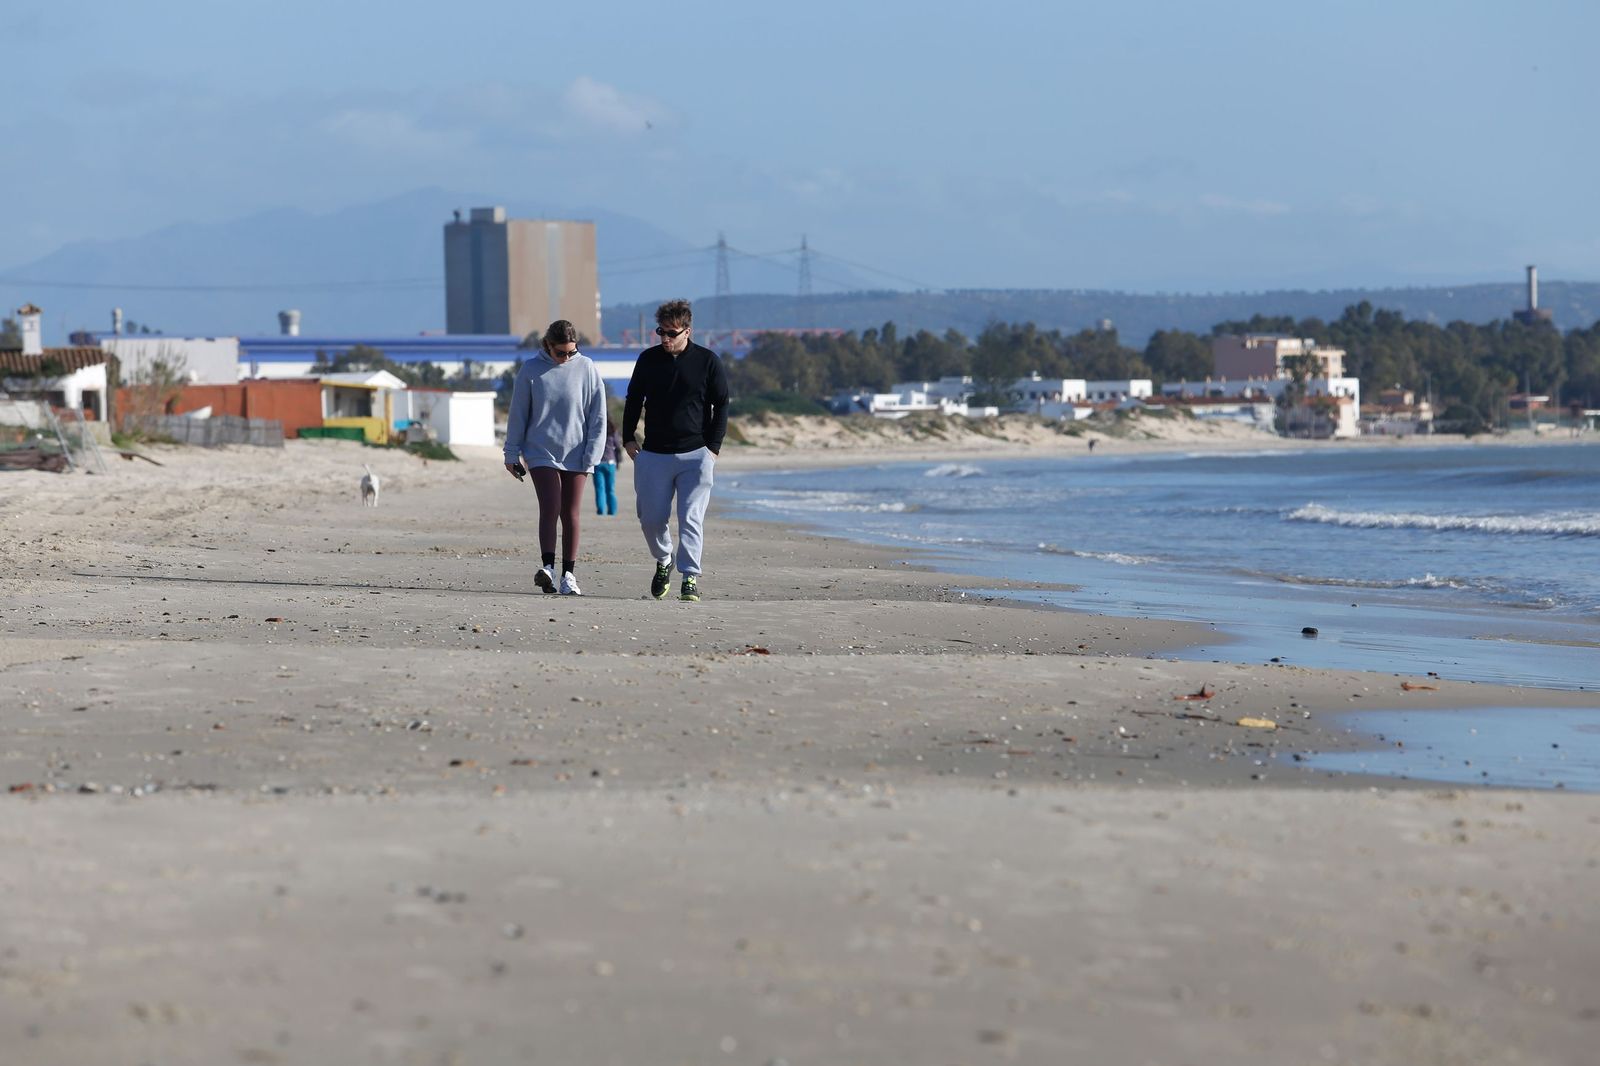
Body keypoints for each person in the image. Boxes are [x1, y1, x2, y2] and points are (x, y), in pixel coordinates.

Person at [622, 298, 729, 602]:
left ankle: (690, 577)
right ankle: (664, 559)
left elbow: (721, 404)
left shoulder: (708, 362)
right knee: (651, 518)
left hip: (696, 454)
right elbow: (633, 400)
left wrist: (713, 448)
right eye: (661, 332)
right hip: (654, 453)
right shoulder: (648, 360)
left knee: (690, 517)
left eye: (672, 333)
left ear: (688, 331)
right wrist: (628, 437)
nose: (665, 339)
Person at [503, 320, 607, 596]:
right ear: (547, 346)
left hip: (578, 452)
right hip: (540, 451)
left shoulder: (586, 368)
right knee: (550, 507)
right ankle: (548, 567)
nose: (566, 358)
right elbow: (518, 415)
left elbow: (598, 416)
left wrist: (593, 453)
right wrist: (511, 453)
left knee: (570, 512)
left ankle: (569, 576)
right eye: (560, 352)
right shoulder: (531, 370)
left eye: (571, 352)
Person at [593, 417, 623, 516]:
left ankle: (601, 510)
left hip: (598, 463)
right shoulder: (613, 433)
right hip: (610, 463)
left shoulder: (596, 431)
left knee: (599, 489)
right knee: (610, 489)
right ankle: (612, 511)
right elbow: (618, 448)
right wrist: (618, 462)